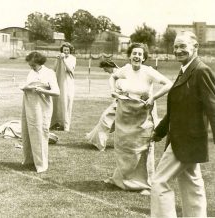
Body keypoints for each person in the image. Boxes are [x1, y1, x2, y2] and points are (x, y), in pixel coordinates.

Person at [150, 31, 215, 217]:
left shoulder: (201, 71)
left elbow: (213, 108)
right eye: (176, 46)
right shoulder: (185, 69)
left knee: (159, 181)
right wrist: (159, 132)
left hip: (187, 140)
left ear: (195, 48)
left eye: (183, 46)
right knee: (191, 183)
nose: (178, 50)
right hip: (181, 139)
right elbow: (175, 109)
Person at [107, 43, 172, 195]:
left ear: (143, 58)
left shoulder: (149, 71)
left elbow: (169, 84)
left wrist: (154, 97)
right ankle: (122, 179)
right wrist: (113, 90)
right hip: (125, 113)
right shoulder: (125, 69)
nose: (136, 56)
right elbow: (113, 76)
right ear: (129, 56)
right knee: (124, 147)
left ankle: (145, 184)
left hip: (143, 114)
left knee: (142, 148)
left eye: (139, 54)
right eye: (134, 53)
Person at [21, 51, 60, 173]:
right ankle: (30, 160)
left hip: (41, 107)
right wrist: (25, 87)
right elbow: (26, 85)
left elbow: (56, 92)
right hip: (28, 105)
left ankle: (41, 163)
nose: (32, 67)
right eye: (30, 65)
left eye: (33, 65)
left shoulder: (49, 73)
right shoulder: (31, 72)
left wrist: (42, 90)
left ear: (40, 63)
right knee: (27, 131)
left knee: (40, 132)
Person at [85, 59, 119, 151]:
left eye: (105, 69)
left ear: (109, 66)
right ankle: (94, 139)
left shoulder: (116, 74)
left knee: (105, 121)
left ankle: (100, 145)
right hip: (118, 102)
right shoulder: (118, 72)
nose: (105, 71)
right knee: (105, 120)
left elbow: (117, 91)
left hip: (120, 103)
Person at [50, 42, 76, 132]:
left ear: (70, 51)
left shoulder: (72, 58)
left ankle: (66, 126)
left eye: (67, 50)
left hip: (68, 83)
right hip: (58, 82)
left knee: (66, 103)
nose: (65, 52)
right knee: (56, 102)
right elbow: (53, 69)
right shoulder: (59, 58)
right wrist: (58, 60)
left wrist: (64, 60)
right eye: (64, 50)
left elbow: (70, 70)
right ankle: (55, 123)